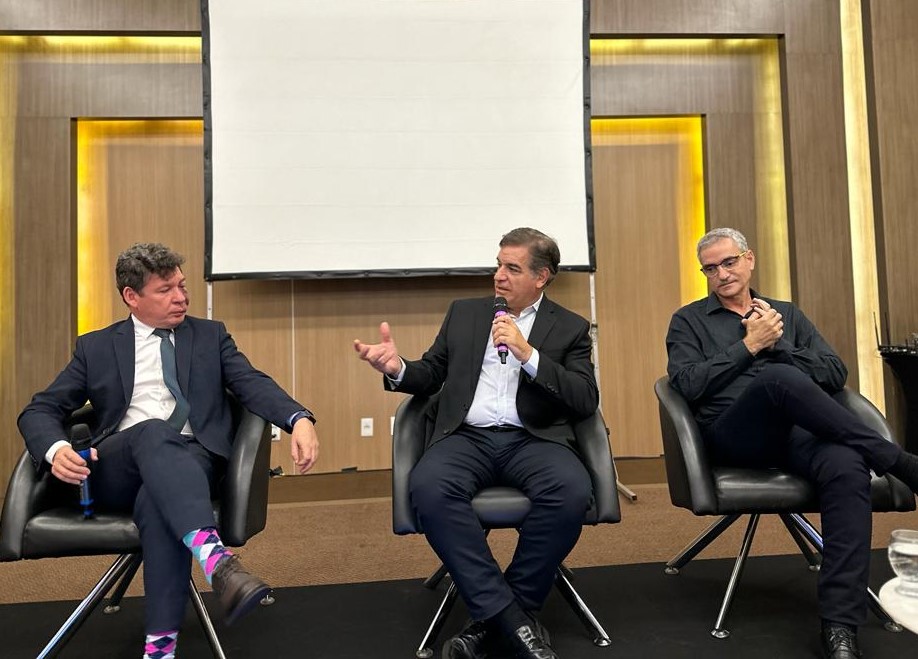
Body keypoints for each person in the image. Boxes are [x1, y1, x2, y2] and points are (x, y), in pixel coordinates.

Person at [18, 243, 320, 659]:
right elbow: (40, 409)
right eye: (165, 290)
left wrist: (298, 418)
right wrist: (55, 449)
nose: (181, 297)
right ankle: (215, 559)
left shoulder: (210, 336)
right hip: (117, 467)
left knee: (158, 502)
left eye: (182, 285)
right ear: (131, 296)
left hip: (192, 462)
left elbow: (252, 383)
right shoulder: (96, 347)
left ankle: (160, 649)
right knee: (152, 431)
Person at [665, 227, 918, 659]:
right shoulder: (688, 321)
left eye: (729, 262)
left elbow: (834, 373)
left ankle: (840, 625)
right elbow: (686, 384)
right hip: (734, 435)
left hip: (799, 436)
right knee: (778, 380)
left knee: (846, 464)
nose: (722, 274)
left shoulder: (786, 314)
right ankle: (899, 462)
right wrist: (749, 346)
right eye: (710, 268)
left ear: (749, 259)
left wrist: (779, 345)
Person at [354, 227, 597, 659]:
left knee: (571, 491)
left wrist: (529, 355)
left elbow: (584, 398)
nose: (498, 275)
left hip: (534, 439)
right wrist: (398, 368)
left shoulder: (570, 327)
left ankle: (493, 622)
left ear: (541, 277)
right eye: (498, 265)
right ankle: (514, 621)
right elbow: (432, 373)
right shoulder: (465, 313)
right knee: (430, 487)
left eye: (512, 268)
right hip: (467, 437)